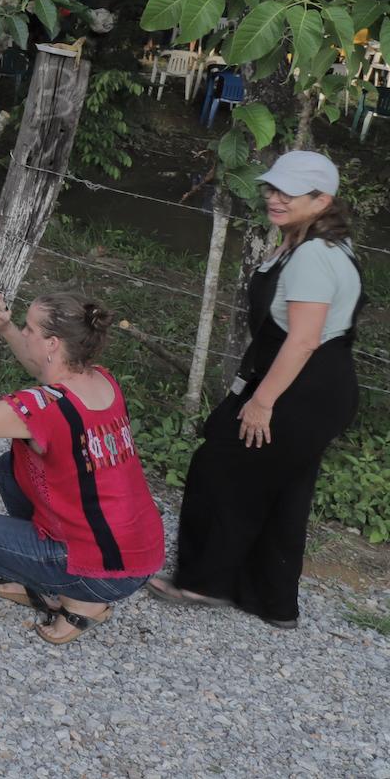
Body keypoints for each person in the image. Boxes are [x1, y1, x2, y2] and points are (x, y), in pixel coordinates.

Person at [149, 150, 362, 629]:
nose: (274, 197)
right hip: (320, 384)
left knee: (222, 468)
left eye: (288, 191)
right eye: (272, 187)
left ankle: (204, 583)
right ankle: (273, 600)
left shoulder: (312, 256)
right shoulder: (315, 244)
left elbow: (304, 338)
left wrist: (262, 401)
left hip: (301, 387)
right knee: (287, 488)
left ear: (322, 199)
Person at [0, 292, 164, 644]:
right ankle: (51, 576)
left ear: (54, 343)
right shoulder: (101, 380)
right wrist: (8, 328)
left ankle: (76, 601)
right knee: (9, 468)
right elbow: (45, 370)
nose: (25, 334)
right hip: (138, 552)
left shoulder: (46, 408)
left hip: (104, 572)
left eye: (30, 329)